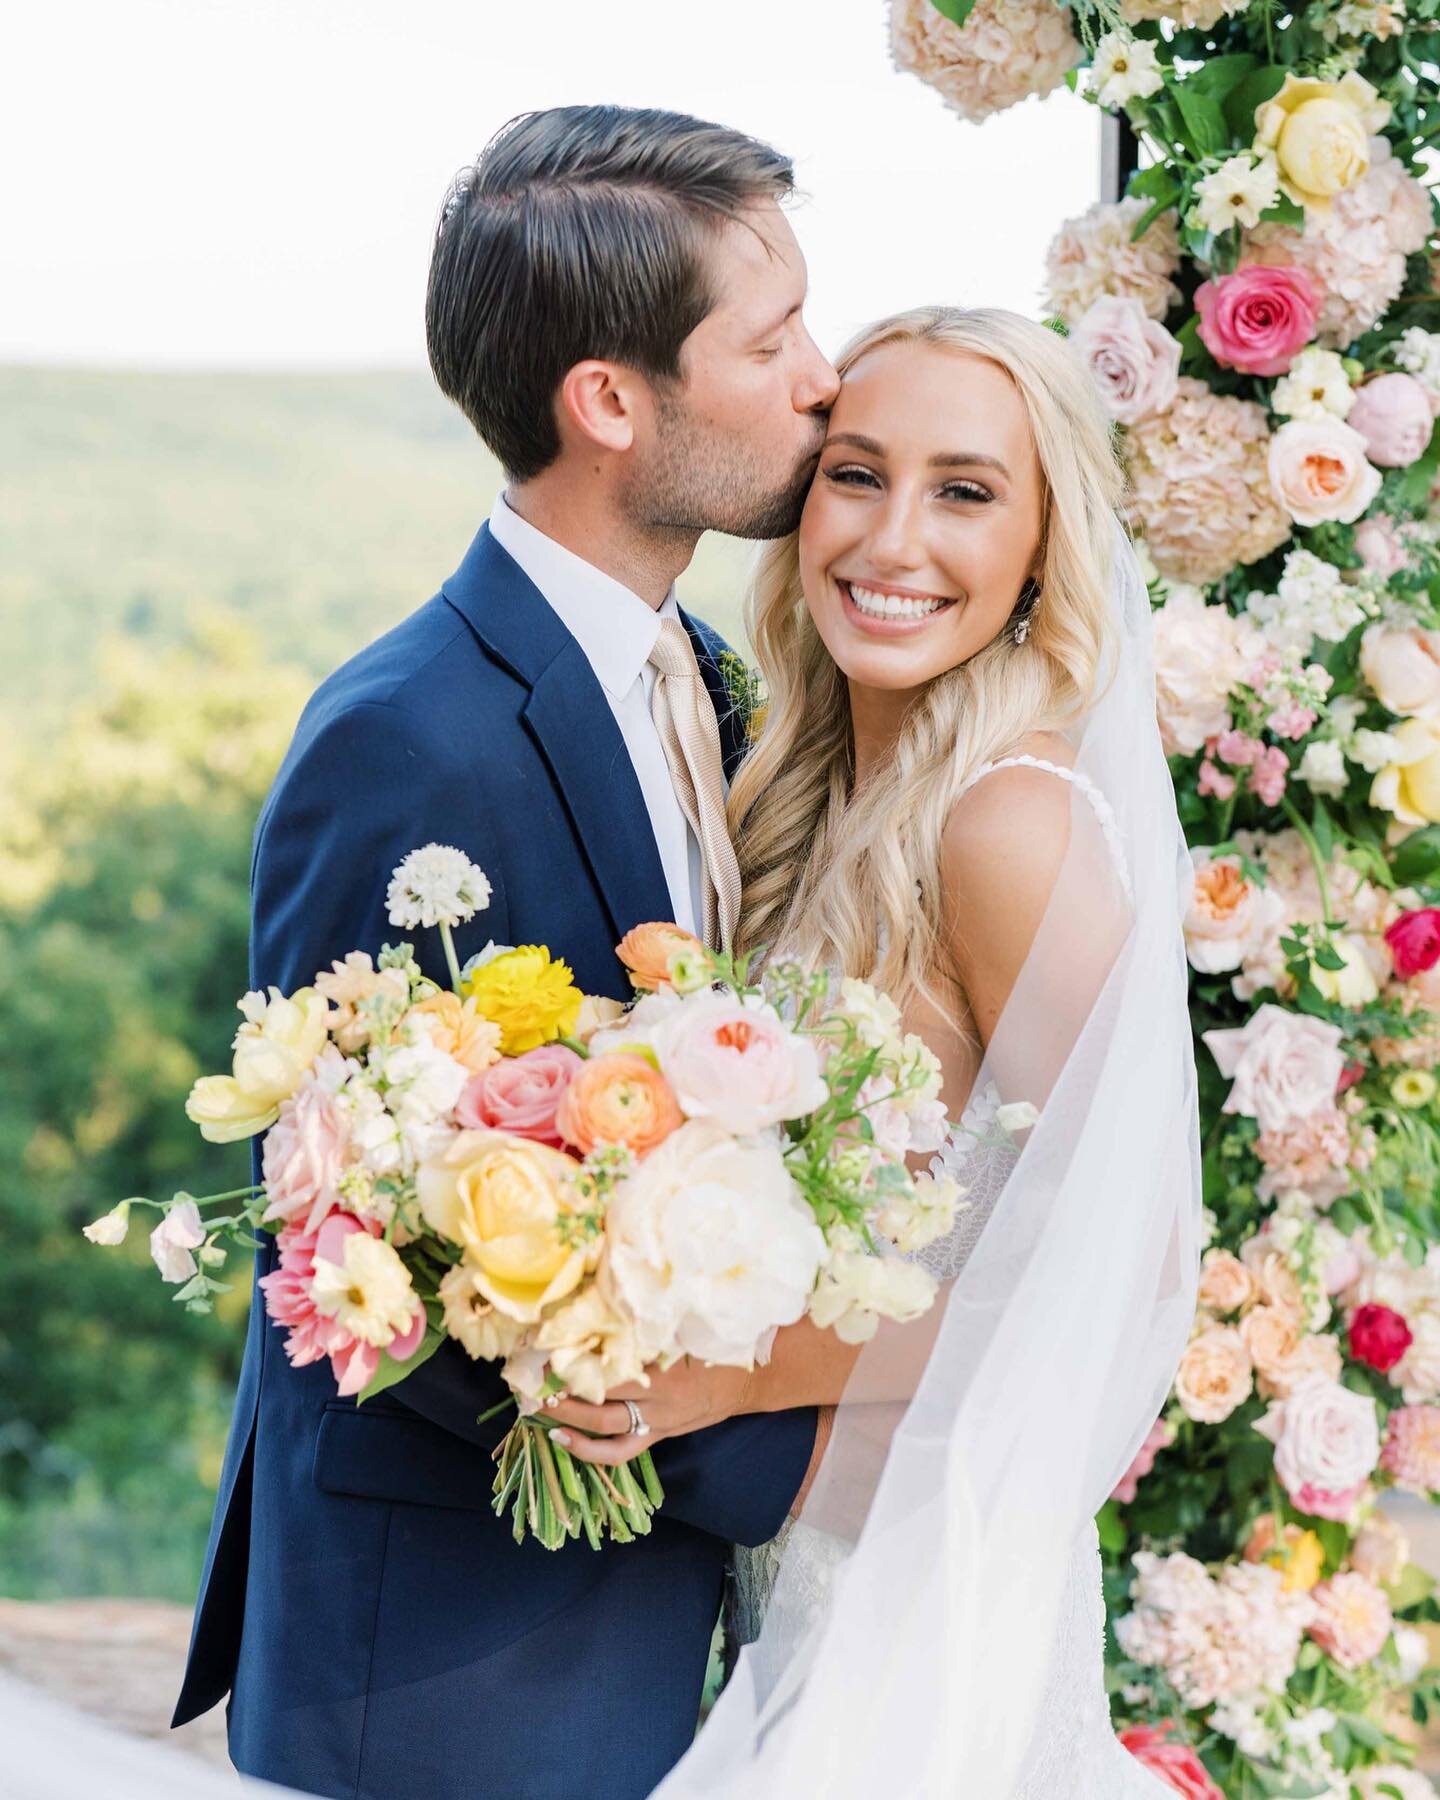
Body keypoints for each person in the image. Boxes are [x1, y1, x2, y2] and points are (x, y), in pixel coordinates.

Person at [171, 104, 839, 1800]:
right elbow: (339, 1244)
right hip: (458, 1669)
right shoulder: (409, 739)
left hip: (638, 1634)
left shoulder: (709, 673)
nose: (822, 379)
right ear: (610, 403)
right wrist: (752, 1444)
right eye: (770, 342)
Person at [546, 306, 1203, 1795]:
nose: (894, 539)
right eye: (856, 475)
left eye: (966, 492)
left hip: (929, 1591)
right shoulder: (798, 789)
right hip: (789, 1568)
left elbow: (1115, 1273)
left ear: (1044, 545)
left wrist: (730, 1382)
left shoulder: (1009, 824)